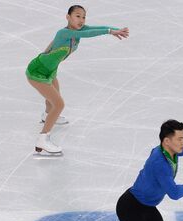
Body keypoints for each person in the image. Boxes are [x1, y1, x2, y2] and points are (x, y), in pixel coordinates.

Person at [26, 5, 129, 155]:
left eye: (83, 17)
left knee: (54, 95)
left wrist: (114, 30)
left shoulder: (78, 31)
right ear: (68, 17)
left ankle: (47, 115)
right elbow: (90, 34)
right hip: (37, 71)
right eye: (77, 16)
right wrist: (109, 31)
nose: (81, 20)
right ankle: (43, 139)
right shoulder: (63, 33)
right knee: (59, 104)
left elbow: (95, 28)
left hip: (50, 70)